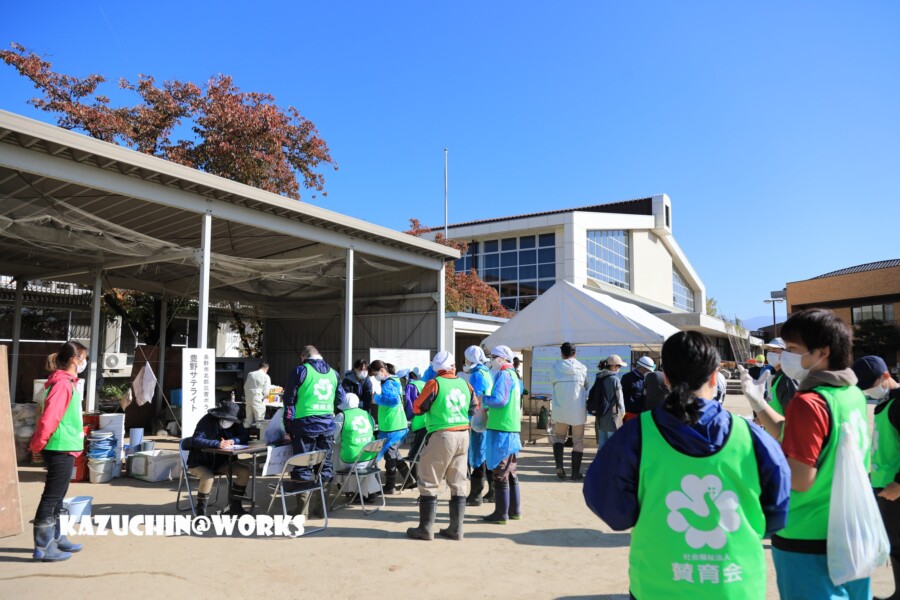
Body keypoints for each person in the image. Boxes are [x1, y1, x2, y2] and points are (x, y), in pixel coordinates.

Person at [584, 331, 791, 599]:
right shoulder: (752, 437)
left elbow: (611, 508)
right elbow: (778, 512)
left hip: (657, 585)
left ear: (665, 377)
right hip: (737, 585)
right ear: (715, 376)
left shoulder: (636, 435)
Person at [741, 308, 870, 599]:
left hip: (806, 535)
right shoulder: (851, 395)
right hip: (851, 530)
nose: (783, 356)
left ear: (822, 351)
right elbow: (796, 434)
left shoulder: (809, 402)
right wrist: (759, 404)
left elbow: (800, 479)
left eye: (792, 349)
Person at [29, 340, 89, 562]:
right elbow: (50, 418)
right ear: (75, 359)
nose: (85, 362)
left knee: (59, 497)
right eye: (84, 357)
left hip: (66, 446)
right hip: (59, 447)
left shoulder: (67, 382)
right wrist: (38, 444)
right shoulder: (63, 384)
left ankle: (58, 537)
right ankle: (43, 547)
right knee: (52, 496)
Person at [407, 351, 475, 540]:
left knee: (429, 480)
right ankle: (456, 529)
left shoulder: (434, 384)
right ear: (453, 366)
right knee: (458, 482)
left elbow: (417, 408)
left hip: (442, 435)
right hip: (463, 434)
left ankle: (425, 528)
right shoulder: (465, 383)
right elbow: (473, 407)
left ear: (436, 368)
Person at [852, 355, 900, 600]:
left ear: (885, 377)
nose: (868, 392)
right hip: (883, 487)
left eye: (869, 385)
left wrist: (899, 484)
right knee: (894, 544)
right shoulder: (885, 404)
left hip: (895, 490)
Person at [284, 345, 343, 486]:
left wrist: (288, 426)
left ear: (302, 357)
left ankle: (303, 508)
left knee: (302, 467)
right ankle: (322, 505)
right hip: (327, 426)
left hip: (305, 426)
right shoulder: (334, 373)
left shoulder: (300, 371)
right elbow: (340, 400)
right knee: (325, 466)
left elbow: (289, 402)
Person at [481, 345, 523, 524]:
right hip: (511, 427)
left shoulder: (504, 374)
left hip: (501, 428)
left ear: (503, 358)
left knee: (501, 471)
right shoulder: (514, 375)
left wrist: (483, 399)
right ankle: (514, 511)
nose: (492, 360)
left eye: (494, 356)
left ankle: (501, 514)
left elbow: (499, 399)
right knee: (511, 471)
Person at [187, 401, 251, 516]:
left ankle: (235, 506)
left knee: (244, 471)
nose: (230, 422)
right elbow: (196, 440)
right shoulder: (206, 420)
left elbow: (245, 436)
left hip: (222, 461)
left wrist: (234, 441)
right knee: (208, 477)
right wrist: (216, 444)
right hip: (200, 462)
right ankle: (200, 513)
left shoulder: (236, 423)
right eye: (227, 419)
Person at [549, 342, 589, 480]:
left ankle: (559, 465)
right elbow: (586, 385)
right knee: (578, 440)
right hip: (577, 410)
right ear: (575, 353)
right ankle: (575, 473)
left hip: (560, 408)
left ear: (562, 353)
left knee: (559, 437)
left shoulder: (555, 368)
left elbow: (552, 382)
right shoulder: (582, 368)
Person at [332, 393, 380, 499]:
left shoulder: (342, 416)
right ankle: (368, 492)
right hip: (370, 457)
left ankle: (349, 489)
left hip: (351, 460)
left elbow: (334, 437)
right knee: (354, 454)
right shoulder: (367, 414)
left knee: (337, 450)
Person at [370, 359, 408, 494]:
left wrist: (377, 399)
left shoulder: (388, 383)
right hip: (394, 425)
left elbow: (393, 400)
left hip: (393, 426)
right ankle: (409, 480)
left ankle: (390, 486)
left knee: (390, 456)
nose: (375, 377)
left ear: (382, 371)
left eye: (375, 374)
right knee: (395, 454)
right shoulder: (394, 381)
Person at [463, 345, 492, 506]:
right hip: (487, 417)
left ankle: (475, 495)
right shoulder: (486, 372)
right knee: (485, 454)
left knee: (477, 455)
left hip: (478, 419)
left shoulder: (476, 375)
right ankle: (491, 491)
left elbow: (475, 398)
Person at [588, 355, 625, 450]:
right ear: (613, 366)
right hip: (613, 417)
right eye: (619, 366)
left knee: (602, 444)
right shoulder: (615, 379)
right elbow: (620, 399)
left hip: (600, 416)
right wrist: (623, 413)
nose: (619, 368)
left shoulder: (599, 377)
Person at [761, 337, 798, 417]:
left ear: (786, 354)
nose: (770, 354)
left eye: (774, 351)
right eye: (769, 351)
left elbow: (792, 415)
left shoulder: (788, 378)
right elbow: (771, 397)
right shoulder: (773, 376)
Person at [404, 369, 427, 489]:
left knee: (414, 453)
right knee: (425, 452)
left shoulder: (410, 386)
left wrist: (406, 417)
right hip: (429, 422)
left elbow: (410, 405)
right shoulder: (423, 383)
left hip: (418, 422)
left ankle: (417, 480)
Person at [621, 356, 656, 423]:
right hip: (630, 414)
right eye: (649, 370)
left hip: (644, 413)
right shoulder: (627, 377)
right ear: (644, 369)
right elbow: (622, 395)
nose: (649, 372)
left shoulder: (647, 378)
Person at [242, 362, 271, 429]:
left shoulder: (250, 374)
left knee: (248, 420)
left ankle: (244, 437)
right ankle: (259, 438)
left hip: (248, 398)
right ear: (267, 368)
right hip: (258, 398)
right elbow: (266, 391)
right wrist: (265, 397)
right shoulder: (266, 376)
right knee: (260, 420)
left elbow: (246, 386)